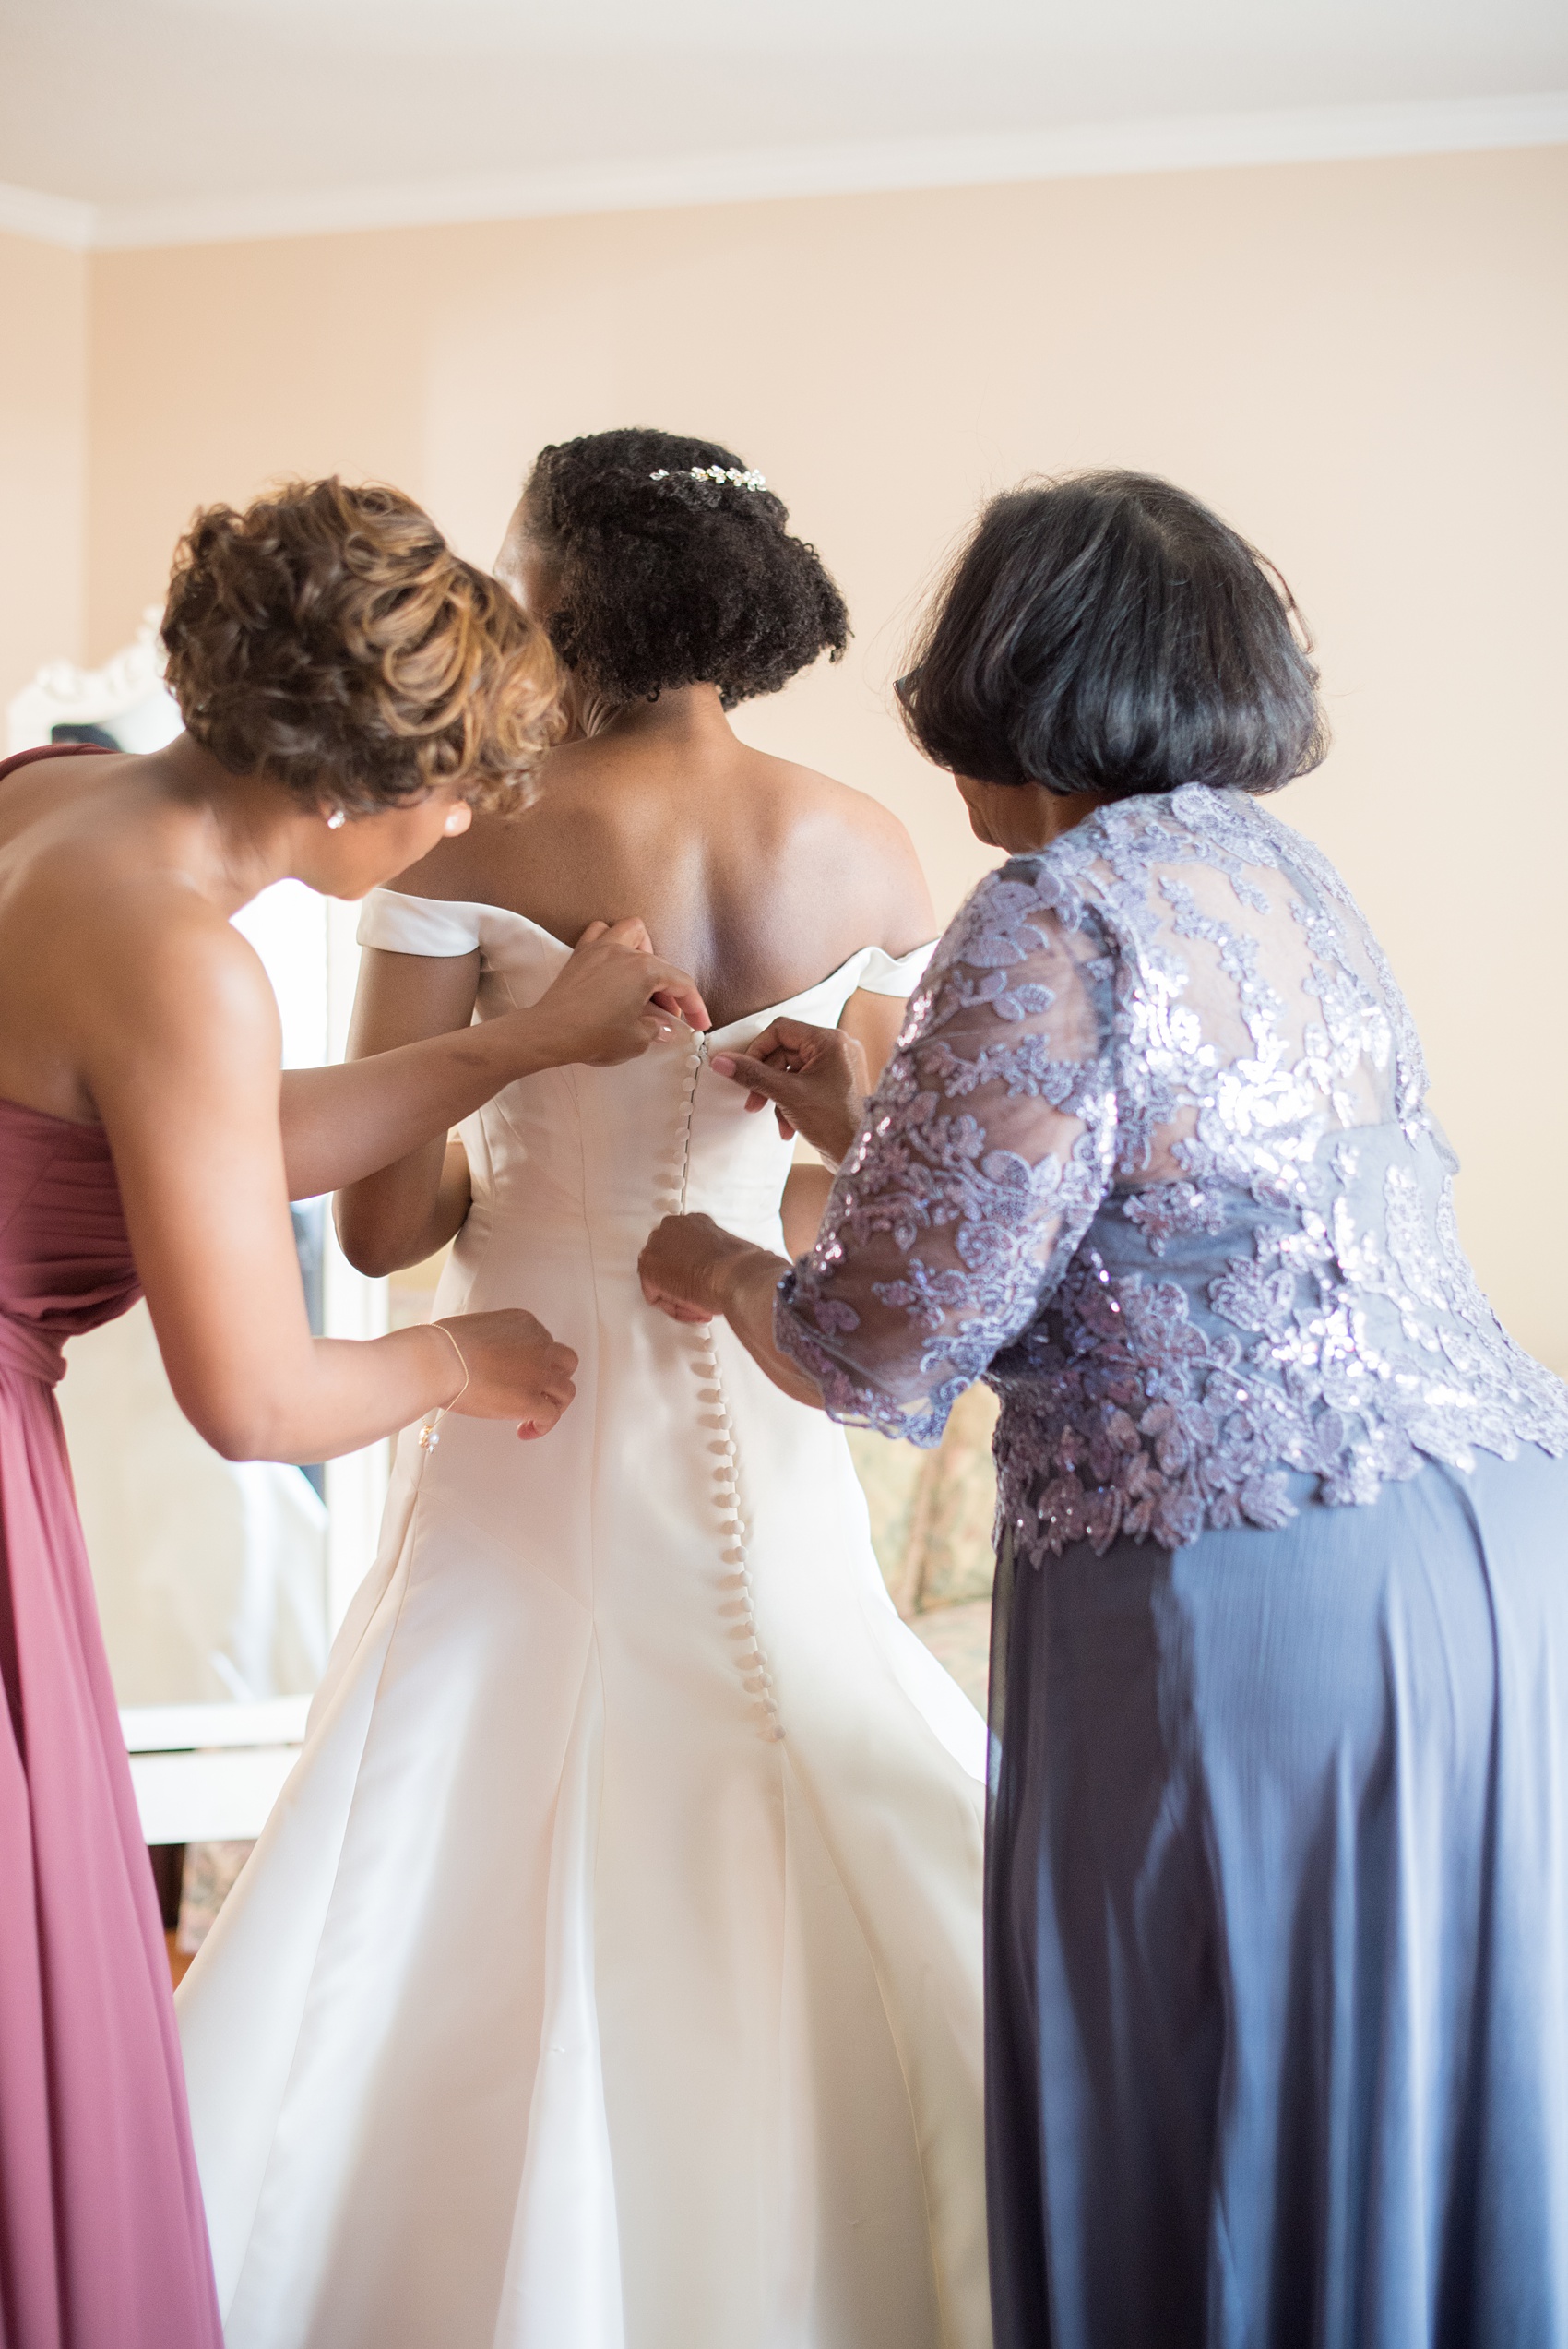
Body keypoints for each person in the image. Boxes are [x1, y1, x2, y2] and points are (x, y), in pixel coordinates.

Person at [640, 470, 1568, 2348]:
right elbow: (1164, 1208)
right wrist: (883, 1130)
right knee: (1395, 2063)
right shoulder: (1278, 877)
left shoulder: (1047, 912)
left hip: (1240, 1583)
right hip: (1478, 1544)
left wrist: (718, 1260)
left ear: (1012, 676)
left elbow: (875, 1352)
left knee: (1206, 2081)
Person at [175, 429, 992, 2349]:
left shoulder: (477, 837)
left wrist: (527, 1171)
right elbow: (871, 1186)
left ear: (558, 591)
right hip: (758, 1364)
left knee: (455, 1786)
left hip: (518, 1396)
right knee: (792, 1719)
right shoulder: (870, 843)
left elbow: (381, 1222)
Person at [0, 474, 707, 2349]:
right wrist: (462, 1365)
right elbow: (256, 1395)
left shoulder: (52, 802)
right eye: (457, 784)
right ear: (347, 784)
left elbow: (189, 1133)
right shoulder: (185, 960)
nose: (470, 819)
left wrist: (512, 1045)